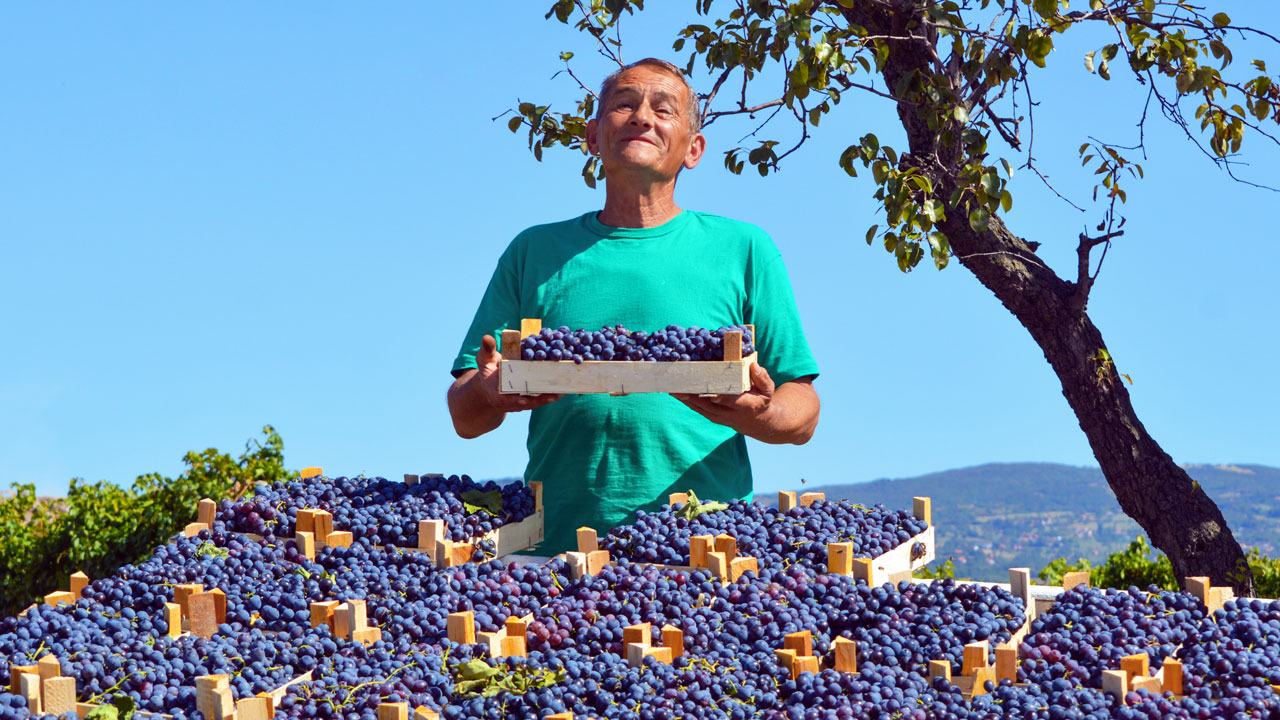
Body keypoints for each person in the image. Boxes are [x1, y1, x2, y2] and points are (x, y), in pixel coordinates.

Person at [448, 58, 820, 554]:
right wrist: (490, 394)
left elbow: (805, 413)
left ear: (694, 149)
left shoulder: (744, 248)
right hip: (554, 550)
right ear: (593, 137)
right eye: (624, 105)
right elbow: (464, 414)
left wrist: (756, 412)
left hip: (705, 554)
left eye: (663, 110)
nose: (642, 117)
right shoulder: (533, 252)